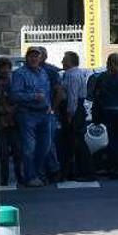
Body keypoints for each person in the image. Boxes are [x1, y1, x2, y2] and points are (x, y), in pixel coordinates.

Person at [11, 46, 52, 187]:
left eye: (36, 56)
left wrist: (49, 105)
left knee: (45, 146)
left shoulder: (43, 72)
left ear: (40, 58)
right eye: (31, 56)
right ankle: (30, 176)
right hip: (27, 114)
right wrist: (33, 97)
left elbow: (48, 91)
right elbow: (15, 95)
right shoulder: (19, 74)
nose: (34, 58)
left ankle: (38, 173)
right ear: (26, 58)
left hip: (44, 114)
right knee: (29, 147)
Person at [60, 51, 94, 181]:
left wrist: (70, 114)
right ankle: (76, 170)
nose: (62, 62)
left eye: (64, 59)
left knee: (77, 142)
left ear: (70, 61)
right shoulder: (74, 74)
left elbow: (73, 97)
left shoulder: (72, 75)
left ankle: (86, 171)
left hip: (74, 111)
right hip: (76, 110)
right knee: (74, 142)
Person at [39, 47, 64, 182]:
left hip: (48, 112)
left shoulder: (50, 71)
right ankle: (45, 171)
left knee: (48, 142)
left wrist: (53, 108)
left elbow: (59, 92)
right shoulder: (29, 71)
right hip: (35, 112)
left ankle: (53, 170)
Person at [0, 58, 23, 186]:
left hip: (14, 121)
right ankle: (4, 178)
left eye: (7, 68)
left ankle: (20, 176)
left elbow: (19, 99)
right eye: (3, 69)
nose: (5, 71)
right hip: (1, 121)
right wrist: (3, 110)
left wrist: (13, 109)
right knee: (3, 153)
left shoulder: (15, 83)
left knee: (18, 151)